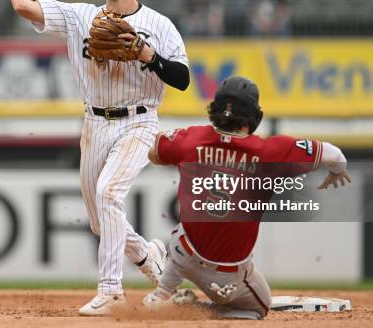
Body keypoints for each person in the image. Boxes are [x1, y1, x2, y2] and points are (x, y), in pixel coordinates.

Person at [4, 0, 190, 315]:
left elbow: (183, 78)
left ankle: (111, 290)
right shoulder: (80, 17)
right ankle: (151, 258)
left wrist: (146, 54)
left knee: (108, 196)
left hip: (140, 121)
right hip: (94, 124)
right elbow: (25, 7)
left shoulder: (158, 25)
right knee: (99, 221)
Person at [142, 76, 351, 320]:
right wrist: (337, 171)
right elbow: (334, 154)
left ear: (214, 110)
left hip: (181, 251)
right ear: (254, 116)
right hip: (223, 275)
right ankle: (197, 311)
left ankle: (162, 294)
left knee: (183, 235)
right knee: (259, 307)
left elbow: (153, 153)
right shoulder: (270, 152)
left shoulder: (191, 138)